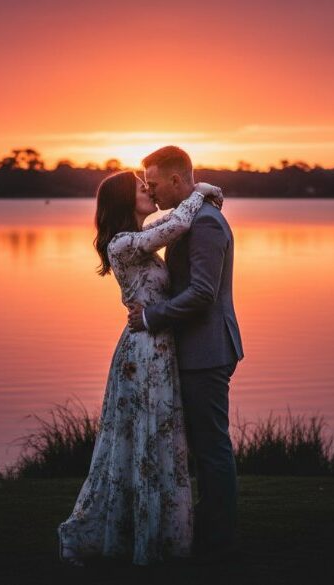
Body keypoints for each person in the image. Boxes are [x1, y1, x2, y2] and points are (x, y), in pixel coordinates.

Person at [57, 168, 224, 566]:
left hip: (159, 347)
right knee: (141, 440)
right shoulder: (122, 245)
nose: (148, 189)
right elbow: (180, 221)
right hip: (143, 353)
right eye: (139, 186)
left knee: (159, 439)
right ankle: (119, 534)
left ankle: (160, 534)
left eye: (148, 183)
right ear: (122, 201)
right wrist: (200, 190)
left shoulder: (141, 240)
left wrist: (197, 192)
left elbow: (174, 220)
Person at [128, 145, 245, 563]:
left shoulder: (208, 225)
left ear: (177, 180)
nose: (150, 190)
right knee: (199, 445)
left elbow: (201, 294)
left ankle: (220, 540)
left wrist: (150, 318)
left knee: (211, 447)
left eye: (155, 183)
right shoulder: (189, 218)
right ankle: (205, 527)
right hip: (194, 349)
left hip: (208, 350)